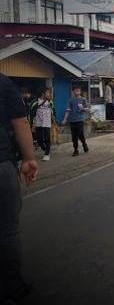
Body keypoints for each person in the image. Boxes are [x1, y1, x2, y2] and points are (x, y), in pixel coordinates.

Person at [1, 73, 38, 303]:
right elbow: (21, 122)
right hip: (1, 165)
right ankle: (11, 287)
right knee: (6, 231)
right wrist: (28, 158)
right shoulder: (3, 83)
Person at [61, 86, 90, 156]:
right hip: (72, 120)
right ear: (73, 91)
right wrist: (64, 119)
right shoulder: (70, 100)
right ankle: (76, 149)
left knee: (78, 133)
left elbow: (87, 109)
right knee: (75, 135)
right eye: (76, 90)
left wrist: (83, 109)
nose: (78, 92)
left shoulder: (83, 99)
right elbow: (67, 110)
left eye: (79, 90)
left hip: (80, 119)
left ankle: (83, 144)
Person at [30, 88, 55, 162]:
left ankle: (47, 154)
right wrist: (32, 124)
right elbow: (31, 114)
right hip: (38, 123)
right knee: (39, 139)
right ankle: (46, 149)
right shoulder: (35, 102)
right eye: (48, 93)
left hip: (47, 123)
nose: (49, 94)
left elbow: (53, 112)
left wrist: (54, 122)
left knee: (47, 139)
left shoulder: (50, 102)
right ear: (43, 94)